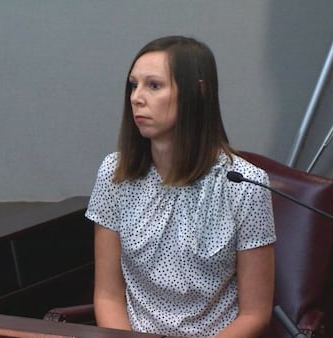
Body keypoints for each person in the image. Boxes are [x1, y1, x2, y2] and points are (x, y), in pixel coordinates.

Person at [85, 35, 276, 337]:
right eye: (133, 85)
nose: (136, 97)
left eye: (154, 85)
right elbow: (108, 295)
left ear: (197, 92)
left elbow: (255, 313)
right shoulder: (115, 173)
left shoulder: (245, 185)